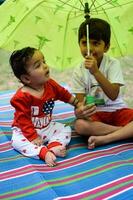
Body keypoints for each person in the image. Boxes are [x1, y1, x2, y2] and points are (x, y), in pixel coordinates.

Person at [10, 47, 92, 167]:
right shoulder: (21, 97)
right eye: (38, 65)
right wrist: (32, 136)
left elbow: (63, 94)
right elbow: (23, 120)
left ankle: (54, 146)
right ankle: (43, 153)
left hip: (46, 127)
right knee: (16, 142)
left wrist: (77, 103)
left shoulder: (50, 85)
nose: (45, 66)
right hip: (25, 131)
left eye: (44, 61)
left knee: (65, 129)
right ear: (26, 78)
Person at [72, 18, 133, 149]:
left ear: (106, 47)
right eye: (84, 43)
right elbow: (79, 104)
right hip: (95, 115)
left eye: (96, 43)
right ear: (79, 44)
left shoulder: (112, 64)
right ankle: (124, 131)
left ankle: (107, 138)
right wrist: (79, 112)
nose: (89, 48)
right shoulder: (78, 70)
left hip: (116, 110)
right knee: (79, 125)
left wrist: (96, 72)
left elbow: (113, 95)